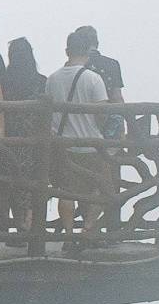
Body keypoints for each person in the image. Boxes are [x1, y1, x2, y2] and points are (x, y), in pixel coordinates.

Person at [45, 25, 113, 242]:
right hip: (91, 145)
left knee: (66, 190)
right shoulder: (93, 79)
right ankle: (88, 227)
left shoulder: (52, 79)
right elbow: (102, 112)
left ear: (67, 51)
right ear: (88, 52)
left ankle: (67, 233)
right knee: (104, 188)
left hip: (63, 144)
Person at [1, 36, 47, 233]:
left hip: (9, 137)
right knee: (35, 181)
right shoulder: (41, 81)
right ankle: (32, 224)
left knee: (12, 181)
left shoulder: (4, 80)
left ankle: (19, 222)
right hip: (35, 140)